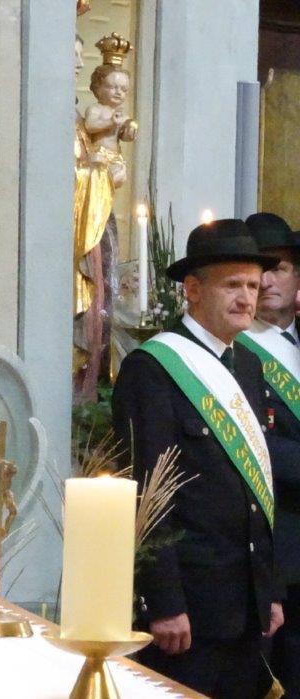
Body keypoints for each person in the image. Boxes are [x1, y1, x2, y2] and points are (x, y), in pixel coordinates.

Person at [112, 219, 284, 698]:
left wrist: (269, 591)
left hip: (246, 604)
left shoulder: (248, 365)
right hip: (189, 609)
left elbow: (257, 488)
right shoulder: (153, 368)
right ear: (191, 289)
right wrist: (164, 601)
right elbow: (147, 492)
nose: (246, 298)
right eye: (232, 285)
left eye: (253, 286)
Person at [238, 212, 300, 696]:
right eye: (258, 270)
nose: (267, 281)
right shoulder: (232, 347)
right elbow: (251, 443)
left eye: (277, 267)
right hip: (274, 548)